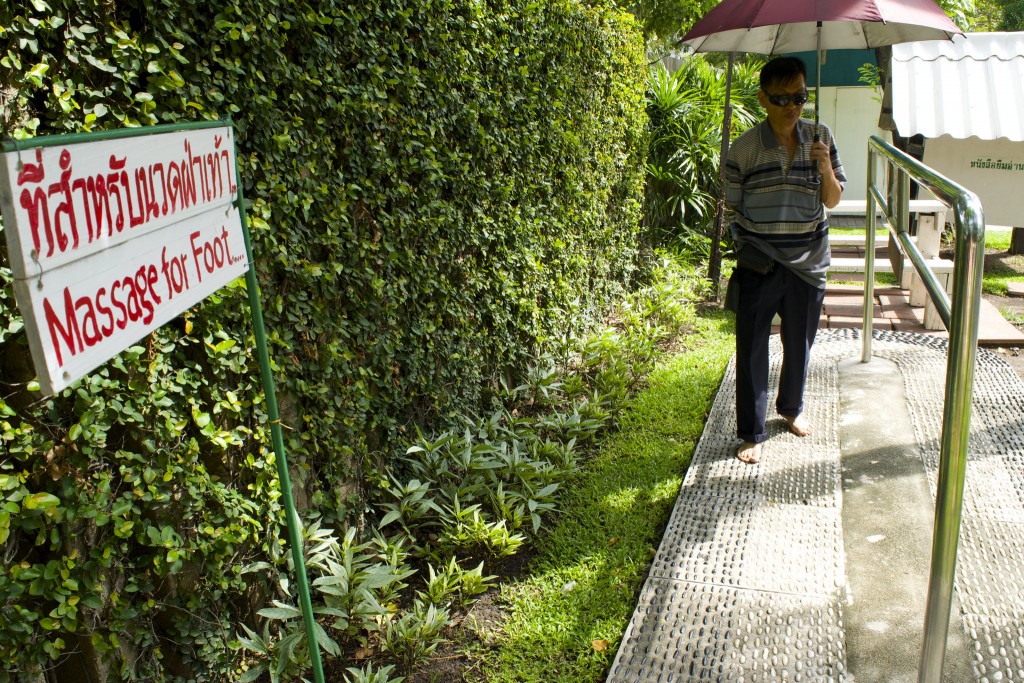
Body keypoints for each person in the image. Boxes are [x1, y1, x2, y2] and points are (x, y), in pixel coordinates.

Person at [724, 56, 845, 464]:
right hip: (761, 263)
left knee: (800, 344)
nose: (792, 106)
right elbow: (734, 203)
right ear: (762, 99)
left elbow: (832, 199)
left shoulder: (821, 137)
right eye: (782, 98)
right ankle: (752, 432)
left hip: (809, 262)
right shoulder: (743, 148)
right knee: (752, 347)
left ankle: (791, 410)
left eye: (800, 96)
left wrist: (825, 166)